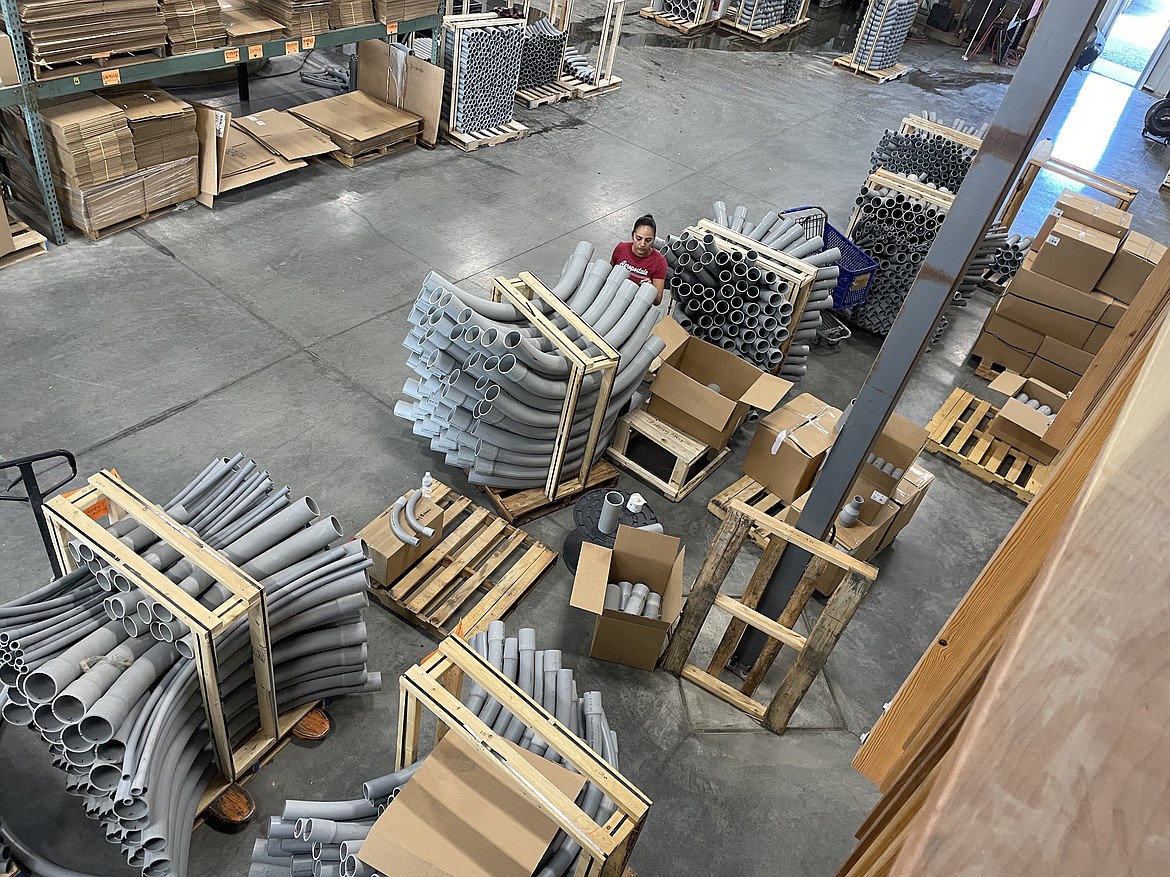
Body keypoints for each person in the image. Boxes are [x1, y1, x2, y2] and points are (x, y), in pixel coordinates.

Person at [611, 215, 668, 305]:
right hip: (612, 298)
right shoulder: (621, 248)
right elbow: (609, 273)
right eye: (639, 238)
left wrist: (649, 289)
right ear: (632, 235)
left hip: (636, 306)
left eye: (648, 240)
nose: (642, 244)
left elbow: (658, 301)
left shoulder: (659, 262)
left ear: (654, 239)